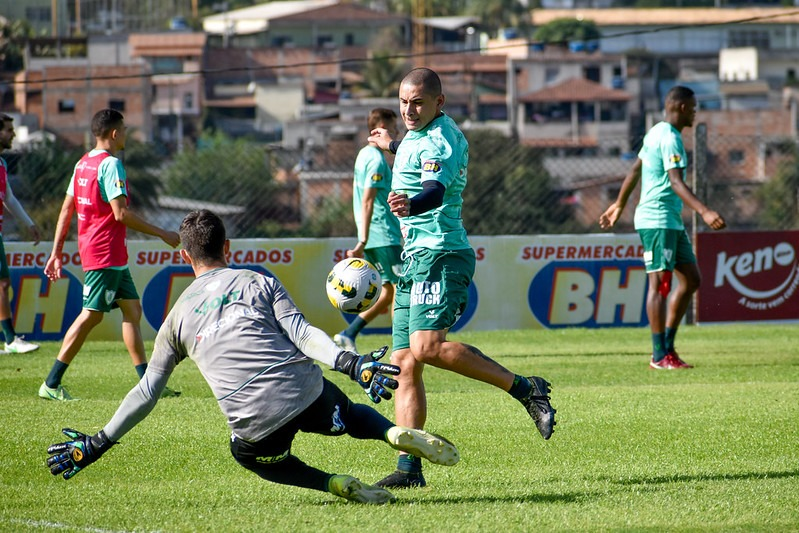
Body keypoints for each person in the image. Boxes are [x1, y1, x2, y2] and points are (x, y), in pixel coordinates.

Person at [46, 209, 460, 504]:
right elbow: (303, 335)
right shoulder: (257, 280)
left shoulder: (174, 319)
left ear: (184, 256)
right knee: (347, 412)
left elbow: (148, 391)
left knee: (251, 457)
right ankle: (391, 434)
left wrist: (99, 441)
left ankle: (334, 483)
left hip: (254, 421)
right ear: (227, 246)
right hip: (304, 392)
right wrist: (353, 364)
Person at [367, 67, 556, 489]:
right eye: (403, 101)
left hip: (441, 254)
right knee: (403, 364)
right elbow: (416, 155)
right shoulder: (418, 136)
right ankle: (408, 469)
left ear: (439, 102)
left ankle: (526, 389)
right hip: (413, 259)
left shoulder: (440, 138)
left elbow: (433, 188)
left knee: (426, 347)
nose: (408, 109)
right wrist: (392, 144)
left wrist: (411, 205)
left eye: (417, 102)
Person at [40, 108, 182, 401]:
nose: (127, 134)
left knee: (132, 311)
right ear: (115, 133)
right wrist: (163, 233)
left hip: (108, 254)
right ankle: (51, 384)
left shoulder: (83, 164)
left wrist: (56, 253)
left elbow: (67, 209)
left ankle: (148, 385)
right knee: (90, 316)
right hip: (104, 252)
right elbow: (120, 214)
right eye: (125, 129)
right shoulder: (110, 165)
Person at [599, 85, 726, 370]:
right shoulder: (669, 138)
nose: (695, 112)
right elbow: (677, 182)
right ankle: (659, 355)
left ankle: (668, 348)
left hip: (669, 221)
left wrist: (619, 204)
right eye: (693, 107)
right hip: (657, 220)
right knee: (660, 285)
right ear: (681, 107)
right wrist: (704, 211)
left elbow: (635, 170)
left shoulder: (655, 131)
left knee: (692, 279)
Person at [334, 108, 404, 352]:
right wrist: (362, 240)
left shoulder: (364, 155)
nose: (397, 134)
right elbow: (368, 200)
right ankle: (402, 347)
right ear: (381, 128)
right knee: (400, 289)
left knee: (386, 293)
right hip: (382, 234)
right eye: (394, 129)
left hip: (377, 234)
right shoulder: (375, 159)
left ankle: (348, 333)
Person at [0, 114, 42, 354]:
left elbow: (9, 198)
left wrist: (28, 223)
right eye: (8, 130)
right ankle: (10, 339)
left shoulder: (2, 164)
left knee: (3, 283)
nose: (13, 134)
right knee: (2, 283)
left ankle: (9, 338)